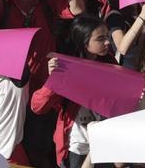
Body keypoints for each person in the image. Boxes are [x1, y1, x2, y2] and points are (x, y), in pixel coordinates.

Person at [30, 14, 116, 168]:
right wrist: (54, 81)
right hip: (77, 146)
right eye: (100, 38)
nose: (108, 42)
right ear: (84, 42)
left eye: (108, 36)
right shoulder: (66, 68)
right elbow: (37, 106)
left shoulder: (109, 63)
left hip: (103, 144)